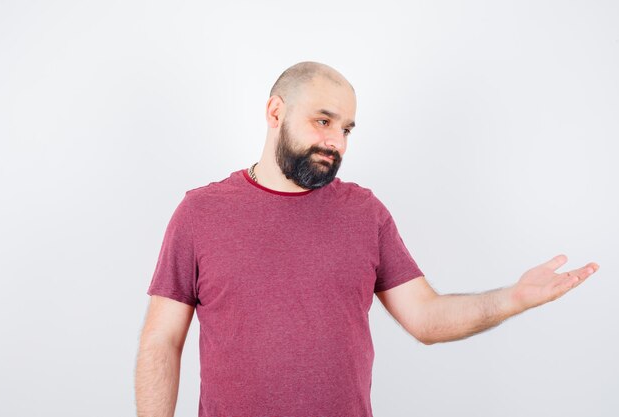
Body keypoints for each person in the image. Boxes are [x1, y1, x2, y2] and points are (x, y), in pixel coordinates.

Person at [134, 61, 600, 417]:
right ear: (275, 111)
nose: (337, 141)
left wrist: (513, 298)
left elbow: (425, 318)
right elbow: (161, 341)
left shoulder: (364, 213)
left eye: (347, 128)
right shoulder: (201, 212)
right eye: (323, 120)